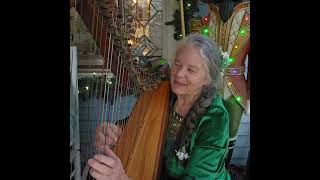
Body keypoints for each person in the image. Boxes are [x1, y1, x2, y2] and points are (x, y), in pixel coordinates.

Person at [87, 34, 231, 180]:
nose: (179, 74)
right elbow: (136, 123)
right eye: (177, 64)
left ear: (207, 79)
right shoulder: (162, 92)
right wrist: (117, 131)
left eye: (191, 70)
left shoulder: (215, 118)